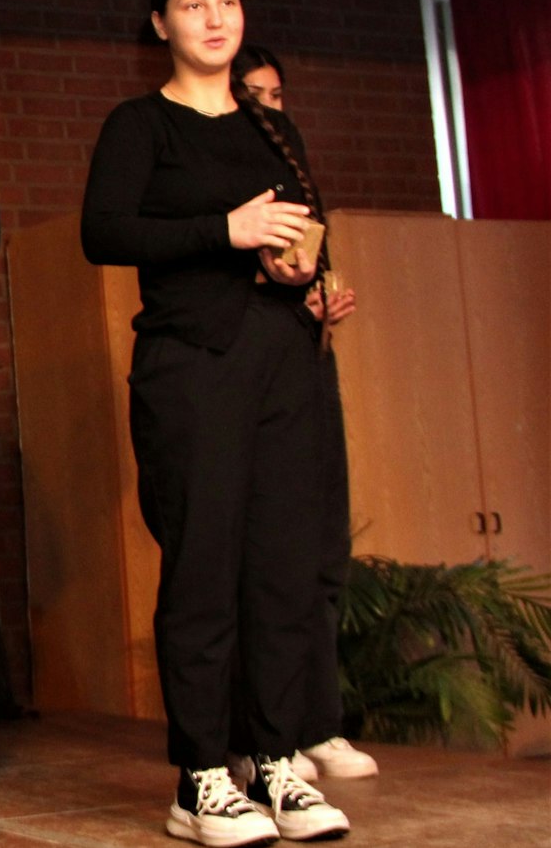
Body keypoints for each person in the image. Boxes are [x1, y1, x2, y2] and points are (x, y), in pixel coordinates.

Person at [80, 0, 353, 845]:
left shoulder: (273, 127)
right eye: (193, 5)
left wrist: (308, 274)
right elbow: (103, 231)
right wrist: (224, 230)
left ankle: (274, 758)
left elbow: (305, 232)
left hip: (284, 359)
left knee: (282, 567)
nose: (214, 18)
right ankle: (200, 775)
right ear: (161, 24)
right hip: (192, 363)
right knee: (202, 568)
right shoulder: (140, 124)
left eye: (228, 1)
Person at [227, 45, 376, 784]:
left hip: (307, 363)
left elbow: (314, 257)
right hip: (238, 374)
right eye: (252, 94)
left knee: (319, 549)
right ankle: (256, 735)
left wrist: (320, 295)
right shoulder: (218, 163)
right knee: (254, 559)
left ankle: (318, 723)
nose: (267, 107)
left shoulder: (294, 162)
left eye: (276, 94)